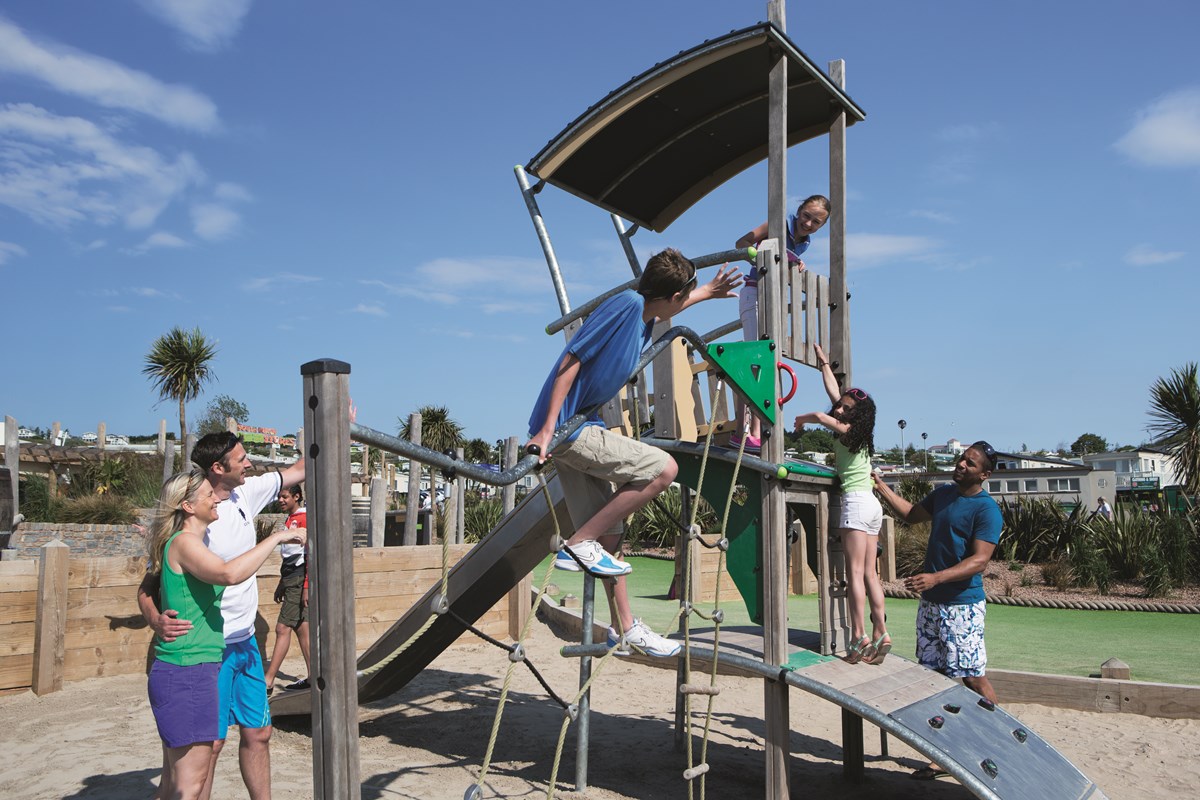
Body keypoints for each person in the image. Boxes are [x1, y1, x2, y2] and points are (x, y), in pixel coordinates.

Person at [526, 248, 741, 657]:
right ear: (672, 295)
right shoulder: (625, 306)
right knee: (664, 468)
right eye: (687, 295)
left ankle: (624, 628)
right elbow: (571, 360)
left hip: (578, 428)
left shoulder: (645, 317)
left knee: (612, 535)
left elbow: (669, 306)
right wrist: (548, 429)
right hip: (569, 429)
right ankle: (579, 542)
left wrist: (708, 293)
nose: (686, 300)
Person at [139, 431, 305, 799]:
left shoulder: (247, 492)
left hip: (241, 641)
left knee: (258, 733)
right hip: (204, 654)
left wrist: (335, 420)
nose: (250, 463)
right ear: (217, 467)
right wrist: (155, 619)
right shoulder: (190, 531)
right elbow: (150, 587)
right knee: (206, 751)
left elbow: (300, 469)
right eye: (242, 457)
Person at [872, 441, 1003, 781]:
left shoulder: (986, 510)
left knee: (972, 675)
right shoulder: (944, 494)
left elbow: (980, 560)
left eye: (970, 463)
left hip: (962, 606)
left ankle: (998, 737)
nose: (961, 464)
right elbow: (910, 514)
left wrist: (936, 578)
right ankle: (943, 754)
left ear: (984, 475)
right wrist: (880, 484)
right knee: (933, 678)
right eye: (962, 458)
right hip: (932, 606)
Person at [792, 343, 887, 664]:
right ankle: (881, 631)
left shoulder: (846, 431)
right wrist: (823, 366)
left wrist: (802, 420)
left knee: (856, 573)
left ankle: (858, 636)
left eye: (846, 409)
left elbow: (821, 414)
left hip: (856, 504)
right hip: (873, 506)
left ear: (855, 416)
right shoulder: (858, 431)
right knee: (871, 574)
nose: (840, 410)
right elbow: (835, 398)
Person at [732, 194, 831, 452]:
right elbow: (741, 243)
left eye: (816, 222)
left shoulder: (804, 243)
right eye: (806, 216)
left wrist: (793, 261)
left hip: (770, 301)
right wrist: (761, 258)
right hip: (755, 292)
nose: (808, 223)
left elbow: (786, 262)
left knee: (764, 360)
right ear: (799, 211)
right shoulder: (776, 225)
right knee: (756, 359)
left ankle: (753, 430)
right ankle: (745, 431)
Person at [263, 485, 310, 695]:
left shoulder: (304, 518)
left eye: (285, 496)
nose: (281, 500)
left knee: (283, 628)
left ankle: (269, 681)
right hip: (291, 578)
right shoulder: (290, 519)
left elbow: (309, 553)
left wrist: (306, 586)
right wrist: (282, 582)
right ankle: (313, 675)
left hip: (300, 578)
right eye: (279, 496)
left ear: (297, 496)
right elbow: (289, 554)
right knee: (301, 628)